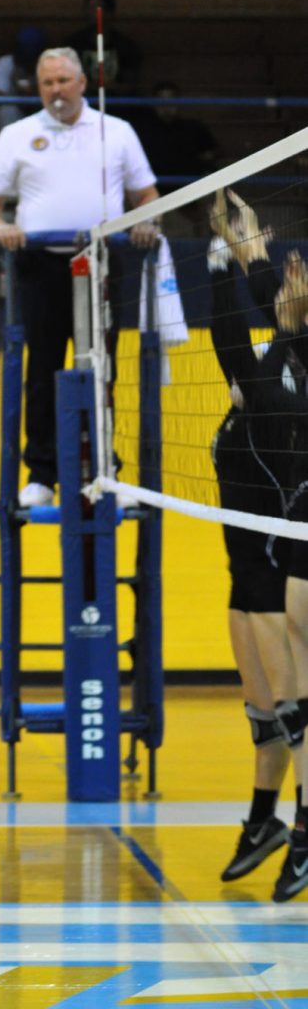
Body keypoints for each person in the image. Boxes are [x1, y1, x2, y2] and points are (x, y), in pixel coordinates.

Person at [0, 46, 159, 508]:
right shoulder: (18, 134)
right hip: (40, 266)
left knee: (102, 369)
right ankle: (41, 473)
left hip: (101, 264)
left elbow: (147, 195)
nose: (56, 91)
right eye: (47, 83)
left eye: (63, 81)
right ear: (38, 88)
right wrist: (0, 229)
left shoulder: (116, 133)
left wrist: (145, 221)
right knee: (42, 372)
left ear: (82, 82)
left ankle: (104, 468)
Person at [206, 217, 300, 882]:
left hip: (273, 567)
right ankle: (265, 817)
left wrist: (218, 265)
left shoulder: (282, 383)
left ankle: (301, 826)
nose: (294, 279)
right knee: (264, 720)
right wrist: (252, 253)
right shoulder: (280, 364)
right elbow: (274, 313)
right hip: (244, 575)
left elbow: (236, 344)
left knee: (294, 717)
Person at [133, 81, 219, 211]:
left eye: (170, 100)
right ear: (154, 103)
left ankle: (204, 230)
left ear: (178, 102)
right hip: (153, 187)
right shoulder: (142, 130)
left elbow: (211, 155)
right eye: (161, 101)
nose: (166, 106)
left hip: (186, 187)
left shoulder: (194, 128)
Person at [65, 0, 142, 96]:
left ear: (109, 12)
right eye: (89, 8)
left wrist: (110, 86)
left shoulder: (126, 46)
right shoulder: (73, 44)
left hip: (117, 105)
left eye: (96, 8)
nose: (91, 13)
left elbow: (130, 85)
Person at [0, 26, 47, 136]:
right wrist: (20, 94)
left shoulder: (50, 65)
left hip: (42, 112)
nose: (28, 51)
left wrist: (35, 91)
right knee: (7, 110)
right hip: (17, 115)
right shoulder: (7, 62)